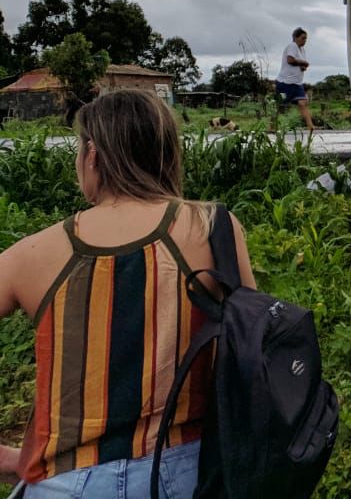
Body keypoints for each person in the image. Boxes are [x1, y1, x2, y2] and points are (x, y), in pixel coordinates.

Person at [0, 89, 255, 498]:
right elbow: (249, 349)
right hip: (191, 471)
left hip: (68, 482)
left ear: (93, 156)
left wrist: (9, 459)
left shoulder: (33, 254)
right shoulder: (214, 228)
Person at [275, 27, 315, 134]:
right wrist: (304, 63)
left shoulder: (302, 50)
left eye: (306, 39)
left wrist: (304, 66)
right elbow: (290, 60)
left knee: (303, 103)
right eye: (302, 38)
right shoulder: (292, 46)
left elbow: (302, 64)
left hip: (297, 84)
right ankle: (271, 127)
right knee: (280, 107)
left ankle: (311, 127)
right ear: (295, 38)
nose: (304, 41)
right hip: (285, 83)